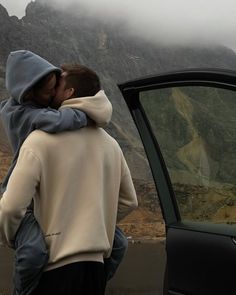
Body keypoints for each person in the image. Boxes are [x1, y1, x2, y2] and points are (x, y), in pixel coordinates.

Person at [0, 56, 137, 293]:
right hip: (96, 271)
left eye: (57, 87)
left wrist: (16, 239)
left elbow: (11, 207)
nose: (51, 92)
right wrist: (96, 225)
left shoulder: (39, 140)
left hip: (54, 269)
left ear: (69, 93)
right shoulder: (111, 145)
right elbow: (129, 201)